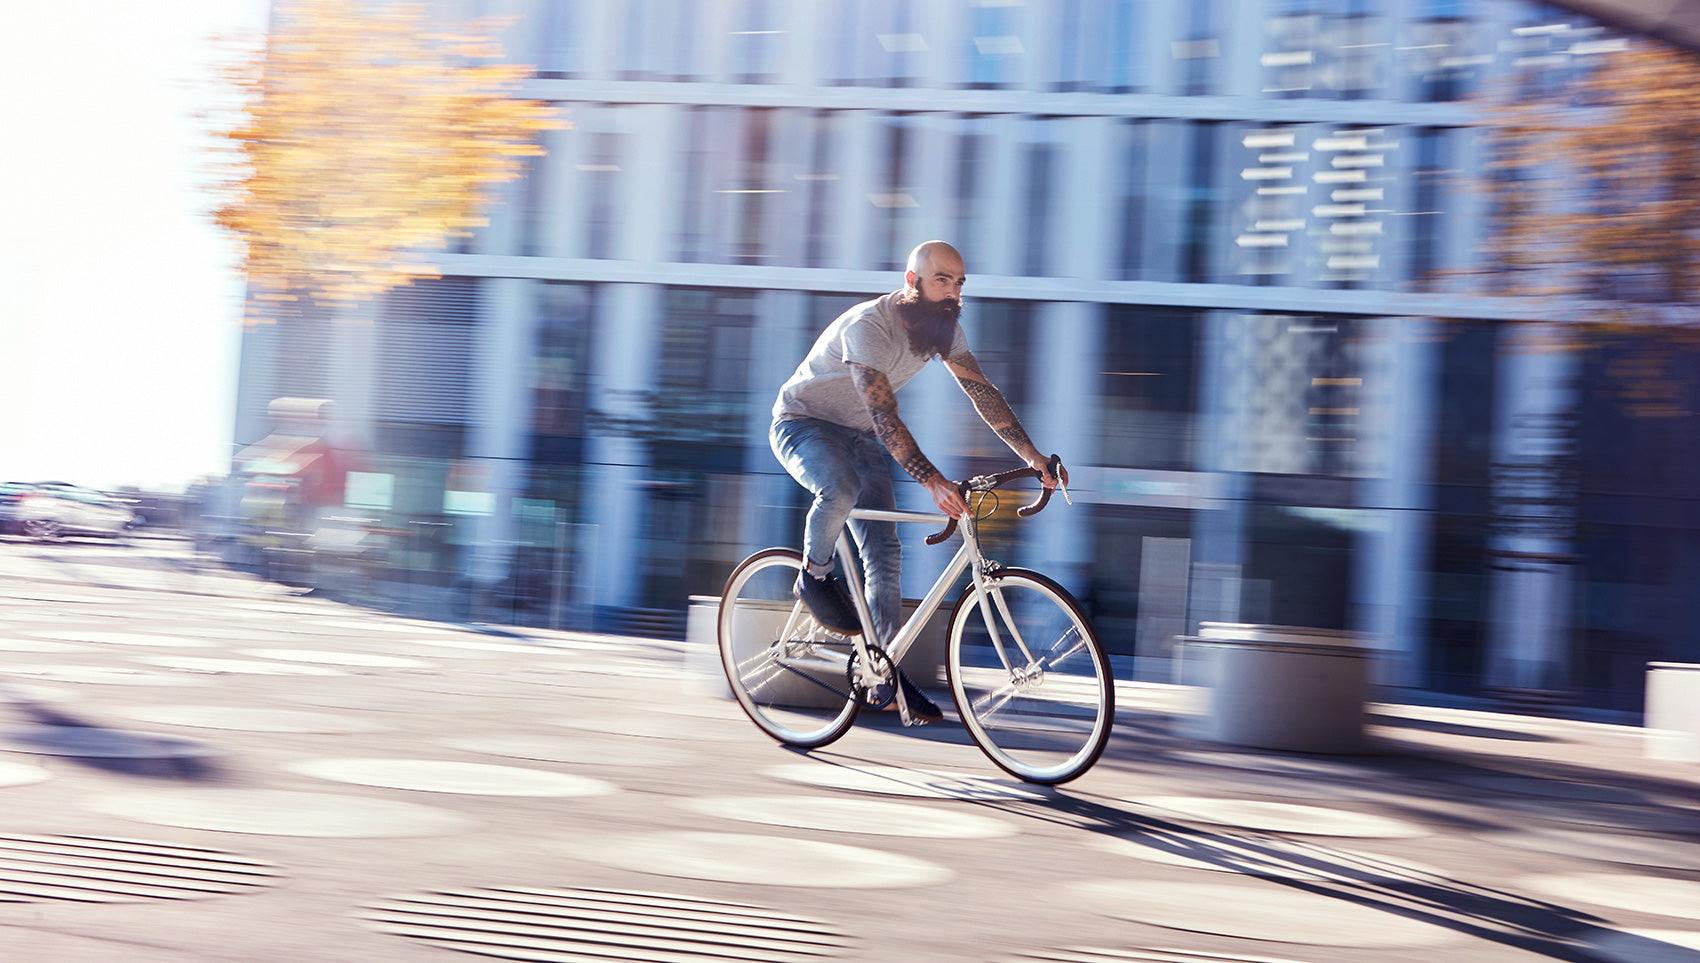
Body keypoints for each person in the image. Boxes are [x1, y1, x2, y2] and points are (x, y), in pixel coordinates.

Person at [770, 240, 1067, 724]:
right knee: (839, 490)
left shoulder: (943, 330)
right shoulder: (869, 326)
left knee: (885, 553)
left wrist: (1032, 456)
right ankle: (813, 576)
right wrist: (932, 481)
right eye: (942, 280)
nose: (953, 293)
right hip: (802, 424)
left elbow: (981, 391)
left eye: (960, 283)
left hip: (860, 437)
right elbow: (886, 417)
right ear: (912, 282)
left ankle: (880, 671)